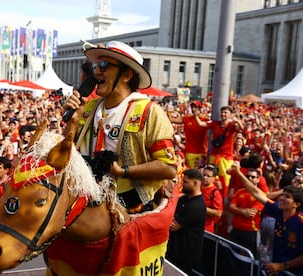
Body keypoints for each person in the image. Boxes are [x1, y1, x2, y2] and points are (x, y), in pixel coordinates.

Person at [64, 41, 177, 214]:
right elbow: (66, 152)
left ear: (126, 75)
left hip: (130, 208)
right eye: (95, 66)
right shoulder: (88, 107)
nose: (96, 72)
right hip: (85, 199)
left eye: (104, 65)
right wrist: (72, 121)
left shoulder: (149, 111)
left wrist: (122, 171)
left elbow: (168, 168)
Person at [231, 162, 303, 275]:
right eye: (282, 195)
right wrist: (239, 173)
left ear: (296, 204)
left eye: (287, 197)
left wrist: (282, 266)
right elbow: (256, 193)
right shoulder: (278, 210)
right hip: (276, 269)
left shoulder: (300, 223)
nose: (281, 198)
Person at [195, 106, 244, 198]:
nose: (223, 114)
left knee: (225, 180)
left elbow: (241, 128)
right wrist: (196, 115)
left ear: (230, 114)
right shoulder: (215, 123)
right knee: (212, 177)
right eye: (222, 112)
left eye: (225, 112)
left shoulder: (232, 125)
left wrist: (237, 120)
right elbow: (201, 124)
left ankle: (224, 198)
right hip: (214, 155)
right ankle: (212, 197)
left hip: (226, 157)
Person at [166, 168, 206, 275]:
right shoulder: (184, 199)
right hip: (175, 251)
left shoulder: (196, 206)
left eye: (185, 182)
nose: (182, 184)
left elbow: (172, 226)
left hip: (185, 256)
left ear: (195, 183)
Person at [228, 168, 265, 256]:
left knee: (250, 258)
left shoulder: (261, 195)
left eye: (253, 177)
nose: (249, 179)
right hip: (236, 229)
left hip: (251, 231)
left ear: (258, 179)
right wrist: (243, 211)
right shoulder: (239, 192)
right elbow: (230, 207)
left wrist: (237, 210)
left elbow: (251, 213)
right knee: (231, 255)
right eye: (247, 176)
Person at [169, 100, 209, 169]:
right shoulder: (186, 119)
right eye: (192, 107)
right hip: (190, 152)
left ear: (200, 108)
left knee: (200, 174)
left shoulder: (205, 120)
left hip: (202, 152)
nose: (193, 109)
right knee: (191, 173)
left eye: (195, 107)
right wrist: (169, 112)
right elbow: (172, 120)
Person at [201, 164, 223, 233]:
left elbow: (218, 213)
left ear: (213, 178)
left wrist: (201, 208)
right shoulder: (197, 186)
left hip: (206, 227)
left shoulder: (215, 192)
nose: (205, 177)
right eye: (204, 175)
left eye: (208, 176)